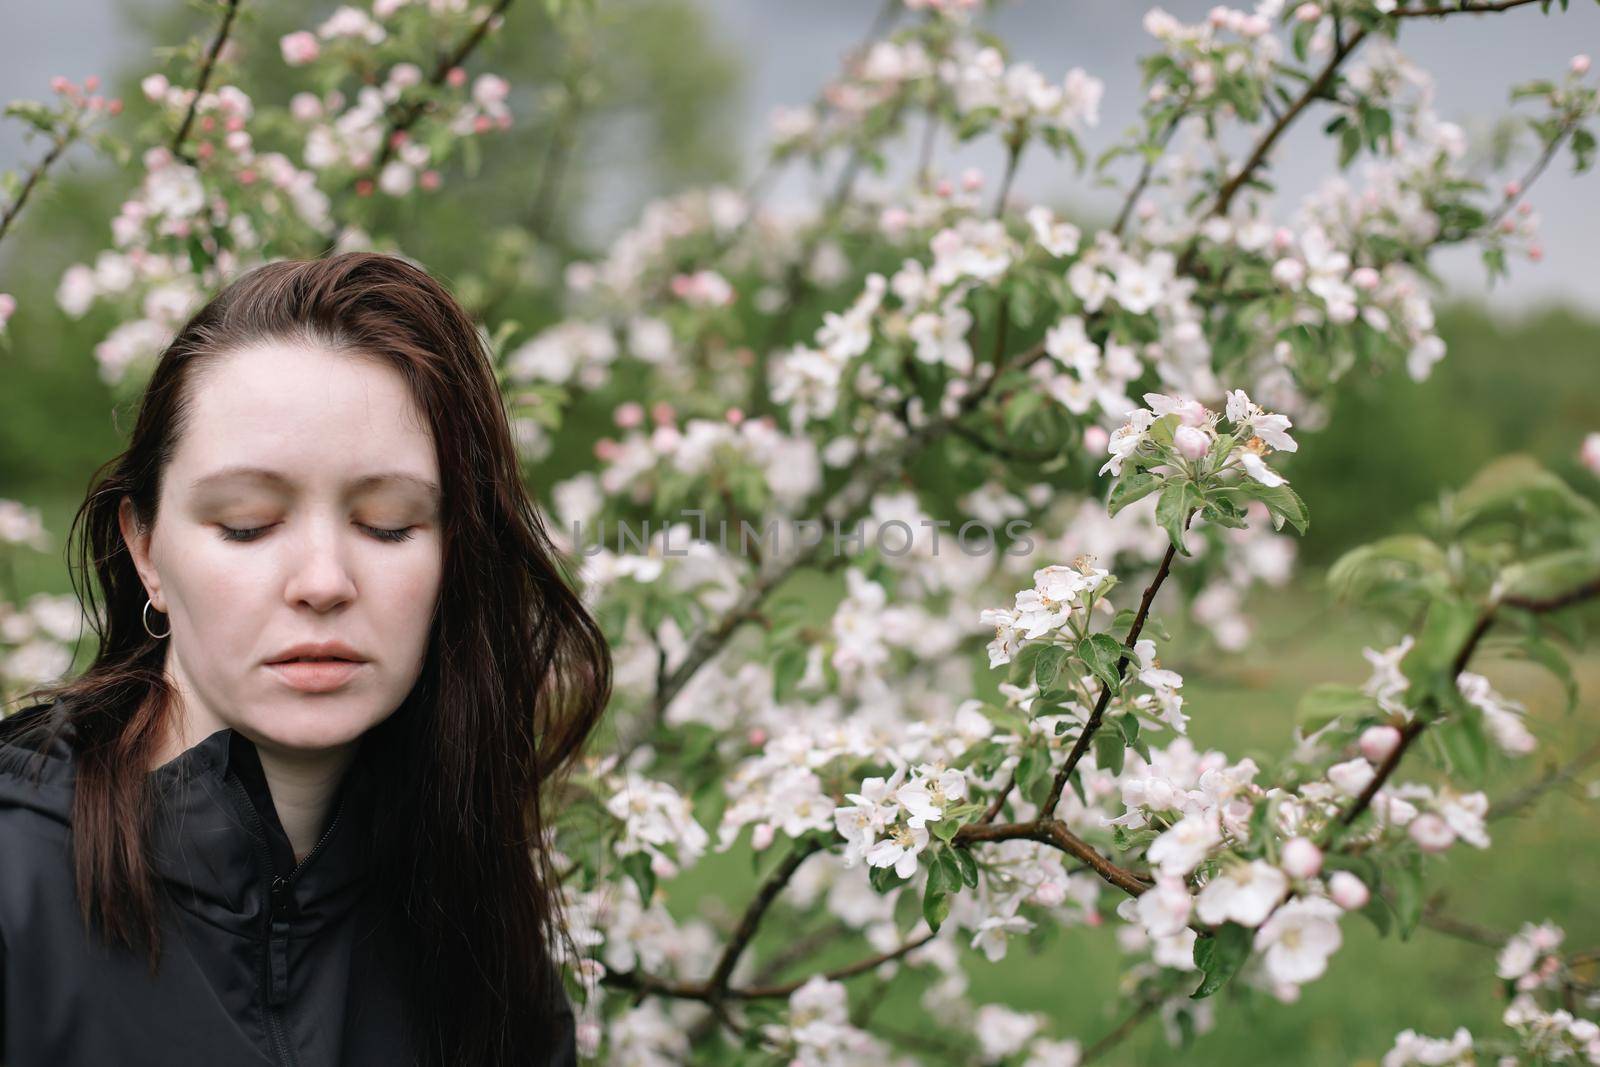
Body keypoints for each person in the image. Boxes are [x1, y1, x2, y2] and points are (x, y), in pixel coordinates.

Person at [0, 252, 612, 1066]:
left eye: (389, 524)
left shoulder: (475, 926)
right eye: (248, 524)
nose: (323, 582)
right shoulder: (18, 889)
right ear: (145, 547)